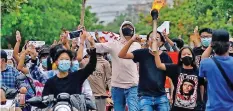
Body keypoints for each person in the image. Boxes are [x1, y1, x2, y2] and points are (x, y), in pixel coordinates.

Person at [86, 21, 141, 111]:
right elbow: (97, 47)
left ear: (133, 30)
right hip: (117, 86)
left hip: (133, 85)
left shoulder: (137, 46)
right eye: (125, 26)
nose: (127, 28)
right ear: (121, 30)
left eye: (130, 27)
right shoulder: (113, 44)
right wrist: (89, 40)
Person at [118, 31, 172, 111]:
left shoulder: (165, 56)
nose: (153, 40)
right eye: (151, 38)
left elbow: (171, 75)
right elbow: (121, 55)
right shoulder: (142, 53)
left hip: (161, 95)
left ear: (161, 43)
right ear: (147, 41)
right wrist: (131, 40)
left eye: (157, 38)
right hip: (144, 96)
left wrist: (172, 94)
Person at [153, 44, 205, 110]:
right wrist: (156, 53)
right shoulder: (175, 68)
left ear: (192, 56)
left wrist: (202, 101)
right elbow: (159, 65)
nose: (186, 56)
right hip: (177, 108)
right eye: (184, 54)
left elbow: (201, 86)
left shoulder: (198, 71)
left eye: (188, 54)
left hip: (195, 107)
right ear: (180, 58)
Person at [199, 29, 233, 111]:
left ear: (212, 45)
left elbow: (203, 58)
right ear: (228, 45)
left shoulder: (206, 63)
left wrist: (211, 45)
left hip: (212, 108)